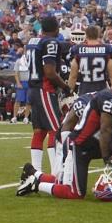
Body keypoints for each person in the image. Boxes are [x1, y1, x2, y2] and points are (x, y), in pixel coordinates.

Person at [16, 78, 112, 199]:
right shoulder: (105, 100)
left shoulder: (111, 99)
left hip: (89, 144)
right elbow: (101, 130)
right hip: (73, 143)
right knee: (70, 189)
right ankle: (35, 183)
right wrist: (107, 160)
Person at [26, 16, 71, 175]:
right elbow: (50, 72)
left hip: (32, 89)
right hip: (44, 89)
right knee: (56, 130)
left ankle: (35, 173)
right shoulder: (50, 42)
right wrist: (65, 87)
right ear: (56, 28)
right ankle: (56, 172)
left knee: (39, 132)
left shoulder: (32, 41)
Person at [68, 25, 112, 96]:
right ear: (98, 34)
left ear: (86, 35)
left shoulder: (77, 49)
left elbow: (73, 76)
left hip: (84, 90)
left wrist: (69, 93)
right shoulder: (107, 49)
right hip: (101, 89)